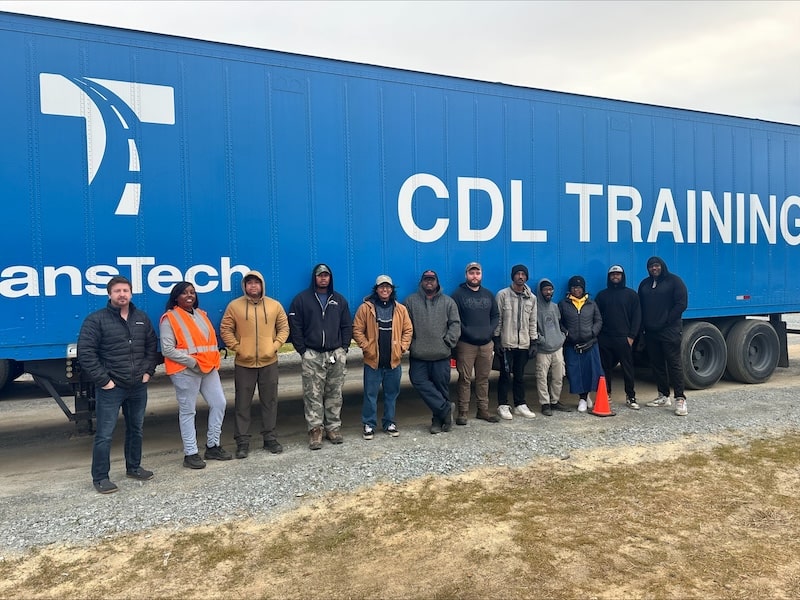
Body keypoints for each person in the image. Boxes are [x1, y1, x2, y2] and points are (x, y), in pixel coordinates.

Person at [77, 275, 158, 494]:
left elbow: (152, 347)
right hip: (112, 388)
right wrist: (104, 381)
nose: (122, 294)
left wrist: (148, 372)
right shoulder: (96, 320)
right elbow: (85, 353)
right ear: (109, 294)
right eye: (117, 291)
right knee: (105, 434)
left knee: (136, 429)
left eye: (125, 290)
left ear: (131, 293)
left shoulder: (141, 318)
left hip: (137, 386)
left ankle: (134, 467)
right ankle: (101, 477)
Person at [161, 281, 232, 469]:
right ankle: (190, 453)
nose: (189, 295)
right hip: (185, 371)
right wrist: (193, 363)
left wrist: (207, 362)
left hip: (207, 369)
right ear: (176, 297)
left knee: (219, 403)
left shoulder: (201, 315)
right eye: (184, 293)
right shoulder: (170, 318)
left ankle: (212, 445)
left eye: (192, 292)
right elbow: (167, 349)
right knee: (188, 411)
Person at [220, 270, 290, 458]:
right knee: (242, 403)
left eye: (256, 283)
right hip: (244, 363)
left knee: (270, 401)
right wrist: (238, 347)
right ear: (244, 286)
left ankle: (270, 438)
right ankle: (242, 442)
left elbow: (284, 328)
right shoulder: (235, 306)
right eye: (249, 283)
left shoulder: (274, 306)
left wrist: (275, 346)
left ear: (262, 285)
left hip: (269, 362)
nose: (253, 286)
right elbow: (226, 329)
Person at [288, 264, 353, 450]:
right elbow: (295, 327)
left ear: (330, 278)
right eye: (320, 275)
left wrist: (344, 349)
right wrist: (302, 350)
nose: (323, 278)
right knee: (312, 394)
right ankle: (315, 430)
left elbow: (346, 326)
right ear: (314, 278)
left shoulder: (339, 300)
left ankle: (333, 428)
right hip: (312, 354)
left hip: (335, 354)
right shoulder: (302, 300)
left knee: (335, 393)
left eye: (326, 275)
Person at [352, 274, 413, 439]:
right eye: (381, 287)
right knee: (370, 395)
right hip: (373, 362)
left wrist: (402, 347)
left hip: (393, 361)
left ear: (392, 289)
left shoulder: (400, 309)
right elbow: (357, 329)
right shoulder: (366, 308)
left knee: (391, 395)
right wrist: (366, 347)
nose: (384, 289)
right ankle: (369, 424)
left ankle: (389, 422)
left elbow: (408, 330)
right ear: (376, 289)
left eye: (388, 287)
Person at [404, 270, 460, 434]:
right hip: (419, 355)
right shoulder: (410, 302)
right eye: (426, 279)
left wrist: (447, 342)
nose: (429, 282)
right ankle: (445, 409)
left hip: (441, 355)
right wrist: (411, 345)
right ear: (421, 282)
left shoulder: (448, 302)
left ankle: (438, 421)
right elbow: (405, 326)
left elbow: (455, 325)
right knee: (418, 381)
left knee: (441, 389)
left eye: (432, 279)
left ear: (437, 282)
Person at [638, 256, 689, 416]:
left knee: (674, 364)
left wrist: (666, 320)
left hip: (670, 330)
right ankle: (663, 395)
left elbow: (681, 304)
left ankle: (680, 399)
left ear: (662, 266)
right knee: (657, 364)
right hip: (651, 332)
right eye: (651, 266)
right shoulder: (645, 284)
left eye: (656, 265)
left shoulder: (674, 281)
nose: (654, 269)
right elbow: (640, 306)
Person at [451, 262, 500, 424]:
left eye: (477, 273)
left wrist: (490, 331)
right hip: (466, 344)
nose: (474, 276)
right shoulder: (458, 295)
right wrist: (468, 333)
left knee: (483, 378)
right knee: (464, 378)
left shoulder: (488, 294)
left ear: (481, 275)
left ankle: (482, 410)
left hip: (486, 344)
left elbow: (495, 316)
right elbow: (454, 319)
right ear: (466, 275)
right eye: (471, 273)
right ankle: (463, 412)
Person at [493, 264, 538, 420]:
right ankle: (503, 405)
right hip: (507, 343)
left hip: (523, 344)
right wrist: (497, 340)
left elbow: (533, 321)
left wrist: (533, 342)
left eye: (523, 274)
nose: (520, 276)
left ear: (526, 277)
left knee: (519, 375)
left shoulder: (532, 298)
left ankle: (520, 404)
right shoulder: (503, 295)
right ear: (513, 276)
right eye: (517, 274)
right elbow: (498, 319)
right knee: (505, 375)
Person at [595, 265, 642, 410]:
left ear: (623, 276)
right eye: (612, 275)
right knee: (605, 369)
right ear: (609, 277)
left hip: (624, 338)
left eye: (618, 274)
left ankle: (631, 396)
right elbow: (596, 317)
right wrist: (599, 336)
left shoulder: (631, 295)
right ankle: (606, 394)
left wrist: (632, 336)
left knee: (627, 368)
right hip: (605, 338)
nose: (615, 277)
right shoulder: (602, 295)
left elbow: (637, 317)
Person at [558, 275, 604, 413]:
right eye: (573, 287)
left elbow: (599, 321)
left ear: (583, 288)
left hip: (589, 343)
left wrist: (592, 332)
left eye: (578, 287)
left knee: (590, 371)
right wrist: (566, 332)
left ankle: (586, 396)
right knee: (575, 372)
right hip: (572, 345)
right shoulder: (563, 304)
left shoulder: (591, 303)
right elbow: (559, 322)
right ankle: (582, 398)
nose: (576, 289)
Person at [534, 278, 571, 415]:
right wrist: (541, 340)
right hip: (543, 349)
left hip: (557, 347)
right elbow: (532, 327)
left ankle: (555, 401)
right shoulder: (535, 307)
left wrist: (562, 336)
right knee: (541, 377)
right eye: (545, 289)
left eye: (550, 289)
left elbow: (559, 323)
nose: (548, 292)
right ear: (540, 291)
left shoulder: (555, 307)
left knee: (558, 376)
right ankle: (545, 404)